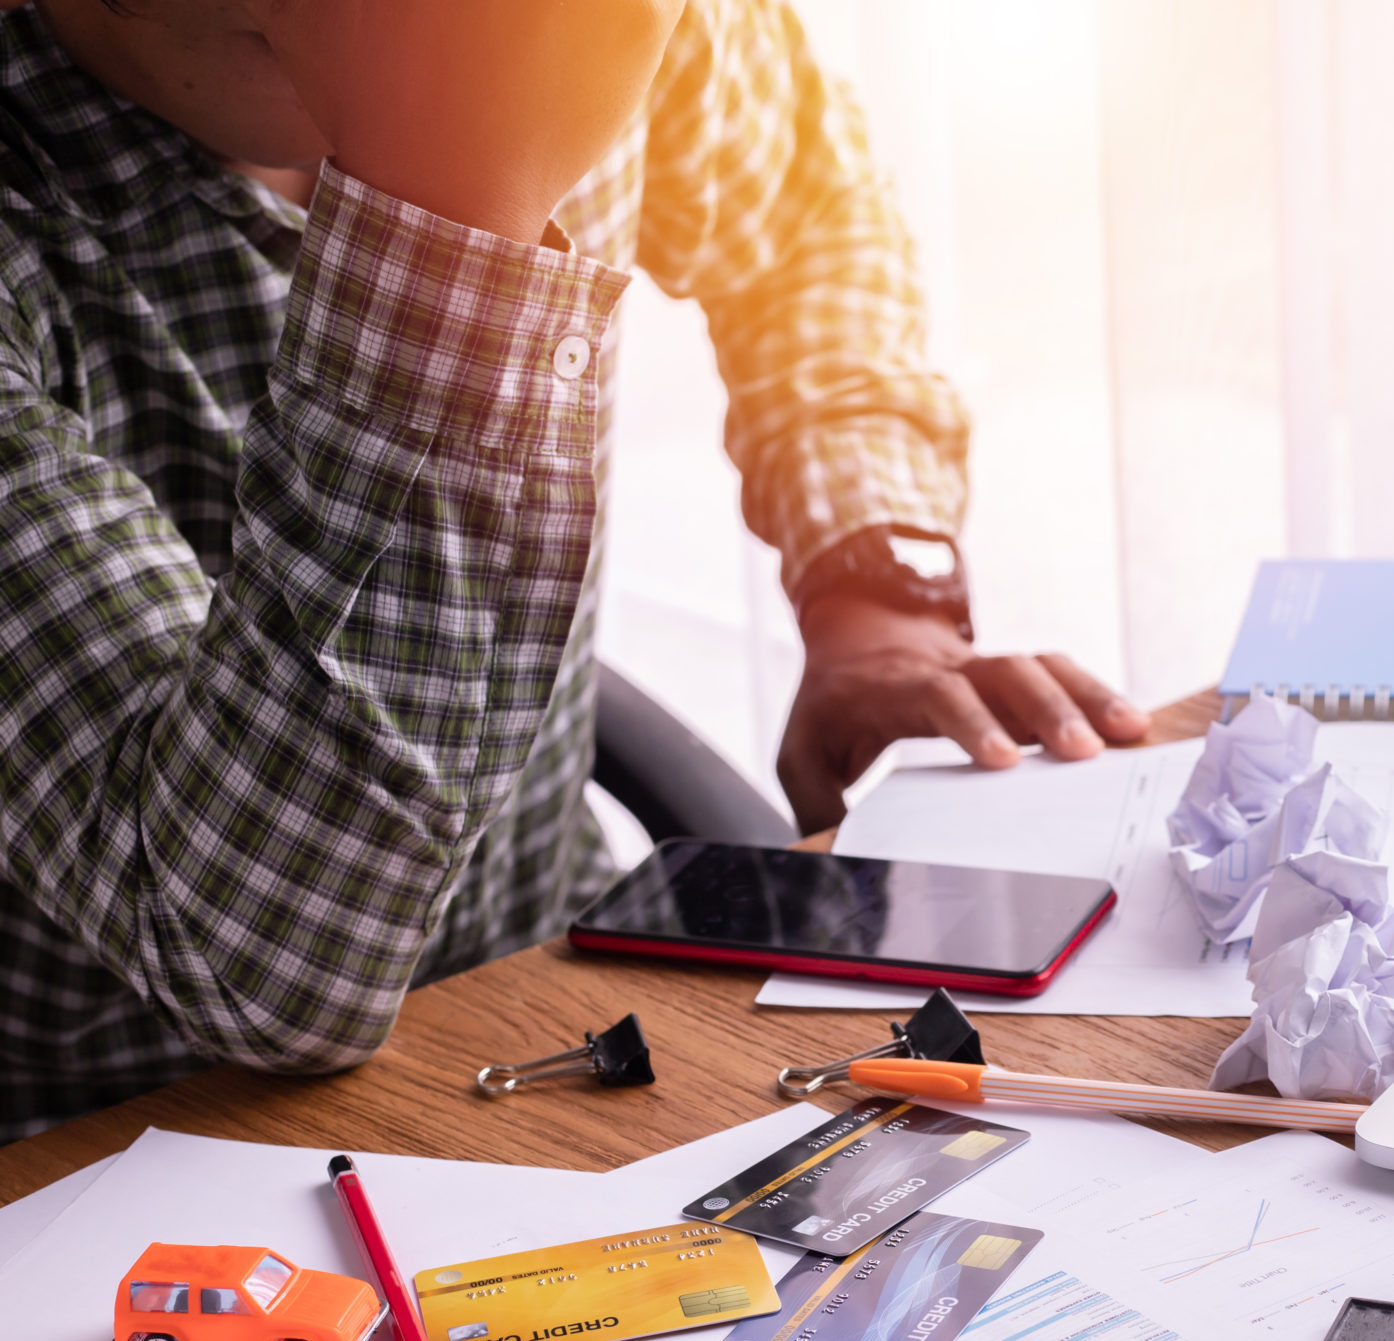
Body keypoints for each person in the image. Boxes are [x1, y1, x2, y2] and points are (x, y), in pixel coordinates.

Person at [0, 0, 1149, 1139]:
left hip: (535, 995)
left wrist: (874, 590)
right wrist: (450, 205)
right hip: (118, 1143)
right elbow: (258, 975)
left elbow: (807, 218)